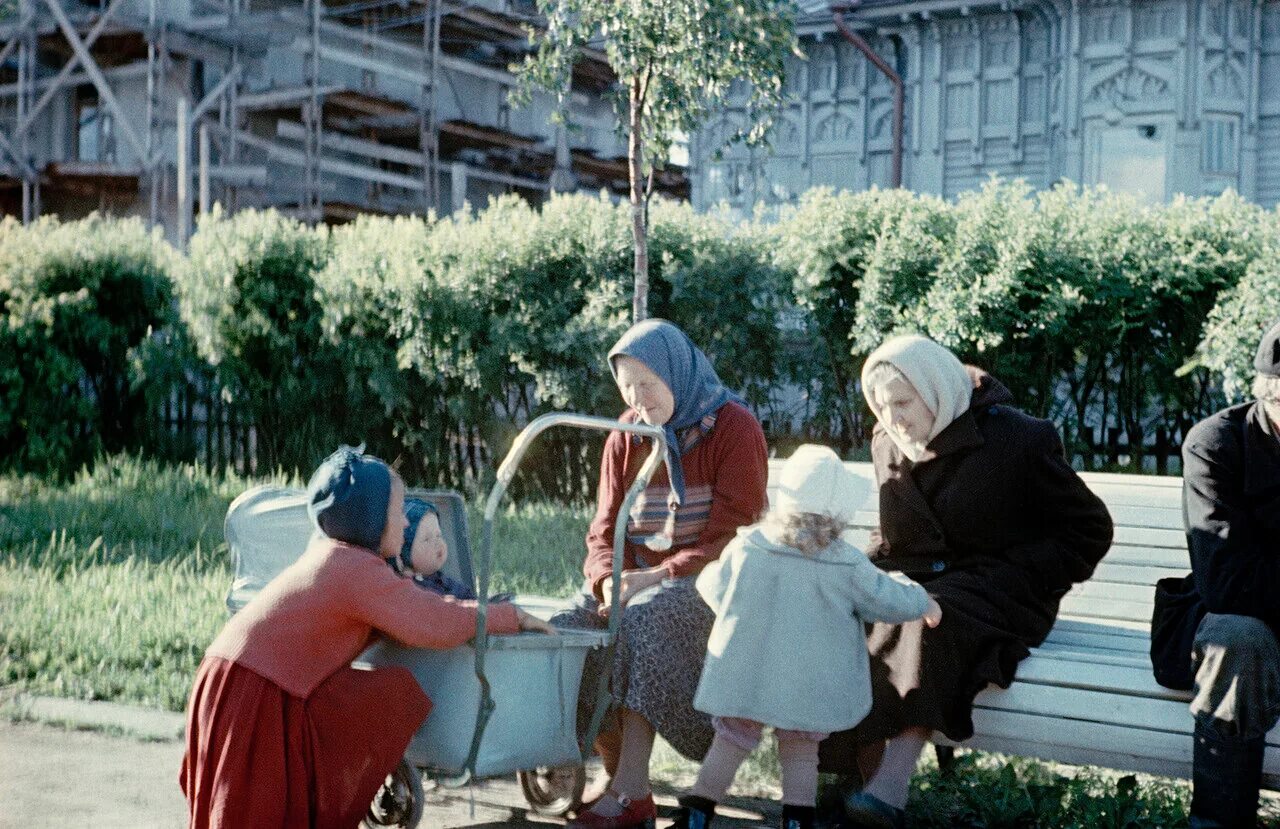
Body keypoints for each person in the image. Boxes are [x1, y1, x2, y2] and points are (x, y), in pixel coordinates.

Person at [822, 334, 1113, 829]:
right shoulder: (887, 442)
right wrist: (852, 570)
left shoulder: (1017, 437)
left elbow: (1088, 529)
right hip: (923, 580)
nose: (892, 416)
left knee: (923, 613)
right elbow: (896, 531)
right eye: (880, 403)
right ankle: (851, 780)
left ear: (934, 387)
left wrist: (1025, 574)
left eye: (902, 401)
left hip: (1006, 591)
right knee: (840, 611)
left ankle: (888, 791)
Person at [179, 445, 553, 828]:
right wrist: (510, 616)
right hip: (255, 687)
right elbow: (432, 620)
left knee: (380, 694)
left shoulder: (335, 555)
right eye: (398, 512)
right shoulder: (356, 570)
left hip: (237, 676)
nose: (406, 524)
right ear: (371, 521)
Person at [556, 319, 769, 829]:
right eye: (627, 388)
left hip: (713, 585)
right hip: (636, 583)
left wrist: (655, 577)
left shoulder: (734, 427)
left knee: (641, 623)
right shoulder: (626, 436)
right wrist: (608, 580)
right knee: (572, 627)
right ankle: (612, 777)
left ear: (678, 373)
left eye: (647, 385)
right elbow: (603, 531)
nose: (638, 399)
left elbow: (733, 540)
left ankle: (629, 792)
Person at [668, 445, 941, 829]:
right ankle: (796, 822)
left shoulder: (749, 546)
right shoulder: (844, 562)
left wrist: (746, 615)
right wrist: (922, 601)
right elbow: (886, 599)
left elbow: (712, 586)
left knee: (731, 739)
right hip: (806, 680)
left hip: (748, 670)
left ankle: (696, 815)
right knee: (800, 749)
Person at [1150, 320, 1280, 828]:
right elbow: (1226, 584)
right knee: (1240, 638)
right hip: (1224, 625)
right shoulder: (1214, 445)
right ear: (1266, 391)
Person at [389, 497, 479, 600]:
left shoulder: (446, 582)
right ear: (403, 549)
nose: (437, 543)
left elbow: (472, 602)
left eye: (438, 535)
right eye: (426, 539)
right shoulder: (407, 589)